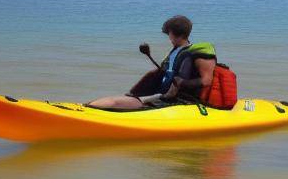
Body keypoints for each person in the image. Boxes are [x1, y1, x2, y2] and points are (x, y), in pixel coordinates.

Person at [88, 15, 216, 110]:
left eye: (169, 33)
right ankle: (87, 108)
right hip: (163, 96)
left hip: (180, 100)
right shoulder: (175, 51)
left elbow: (206, 81)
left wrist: (182, 82)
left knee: (117, 103)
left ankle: (88, 111)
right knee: (124, 100)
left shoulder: (197, 53)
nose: (168, 36)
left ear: (174, 33)